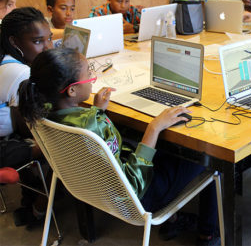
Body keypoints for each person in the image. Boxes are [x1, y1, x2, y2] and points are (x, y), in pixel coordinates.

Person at [18, 48, 219, 246]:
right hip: (137, 198)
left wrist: (97, 111)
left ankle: (173, 220)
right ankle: (207, 235)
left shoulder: (41, 114)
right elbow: (135, 183)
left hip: (91, 190)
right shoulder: (90, 125)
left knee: (168, 150)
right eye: (89, 73)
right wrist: (154, 127)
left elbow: (90, 143)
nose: (92, 76)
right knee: (210, 156)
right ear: (72, 90)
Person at [0, 7, 53, 226]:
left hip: (7, 139)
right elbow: (27, 127)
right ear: (14, 42)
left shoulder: (5, 59)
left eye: (49, 39)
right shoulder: (20, 73)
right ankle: (38, 209)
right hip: (4, 146)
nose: (48, 47)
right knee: (62, 145)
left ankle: (34, 191)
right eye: (38, 41)